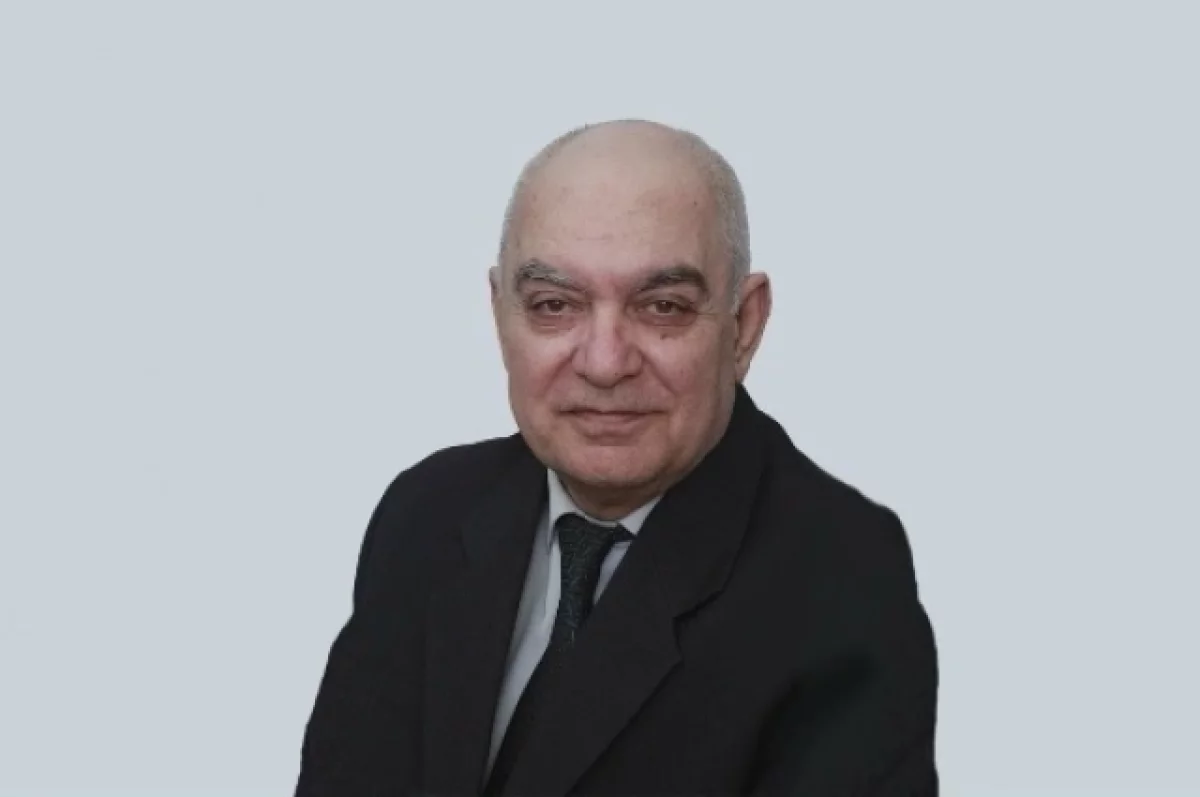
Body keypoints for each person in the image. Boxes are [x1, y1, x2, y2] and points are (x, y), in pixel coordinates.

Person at [294, 119, 939, 796]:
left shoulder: (843, 580)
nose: (604, 363)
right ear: (500, 314)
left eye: (662, 307)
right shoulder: (427, 513)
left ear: (744, 326)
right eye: (554, 305)